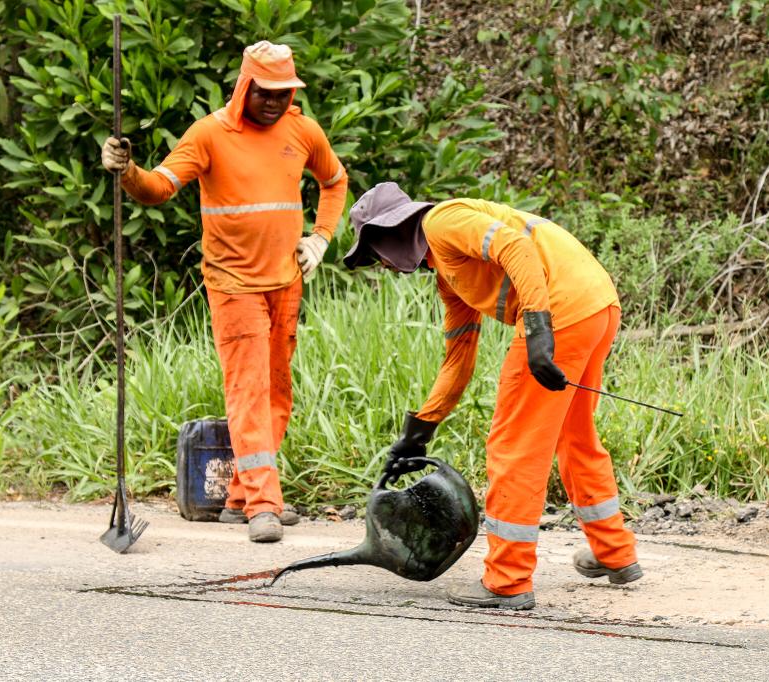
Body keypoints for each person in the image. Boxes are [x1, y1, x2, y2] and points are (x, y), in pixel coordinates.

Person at [342, 182, 640, 609]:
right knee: (575, 437)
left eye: (375, 254)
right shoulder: (450, 275)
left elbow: (515, 247)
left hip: (562, 311)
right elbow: (458, 357)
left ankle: (507, 579)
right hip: (597, 305)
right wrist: (421, 428)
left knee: (514, 447)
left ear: (387, 232)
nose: (382, 266)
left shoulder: (442, 221)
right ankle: (615, 553)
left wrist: (538, 329)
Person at [101, 42, 348, 543]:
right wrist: (126, 171)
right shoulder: (210, 134)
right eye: (265, 91)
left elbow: (336, 181)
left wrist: (320, 237)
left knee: (278, 390)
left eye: (284, 92)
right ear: (244, 88)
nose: (275, 101)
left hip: (287, 280)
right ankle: (263, 503)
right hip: (233, 285)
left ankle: (238, 497)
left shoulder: (303, 131)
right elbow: (158, 188)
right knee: (249, 389)